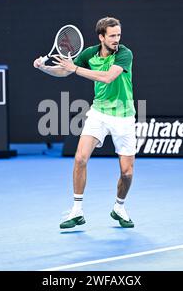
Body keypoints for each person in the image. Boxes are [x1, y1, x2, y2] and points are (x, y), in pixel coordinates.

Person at [33, 17, 136, 229]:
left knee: (127, 173)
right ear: (102, 37)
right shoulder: (89, 53)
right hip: (99, 113)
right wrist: (44, 68)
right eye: (112, 36)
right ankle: (77, 210)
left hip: (124, 116)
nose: (117, 39)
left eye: (118, 35)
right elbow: (64, 71)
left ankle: (119, 207)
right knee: (80, 158)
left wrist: (75, 69)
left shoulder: (125, 53)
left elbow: (107, 77)